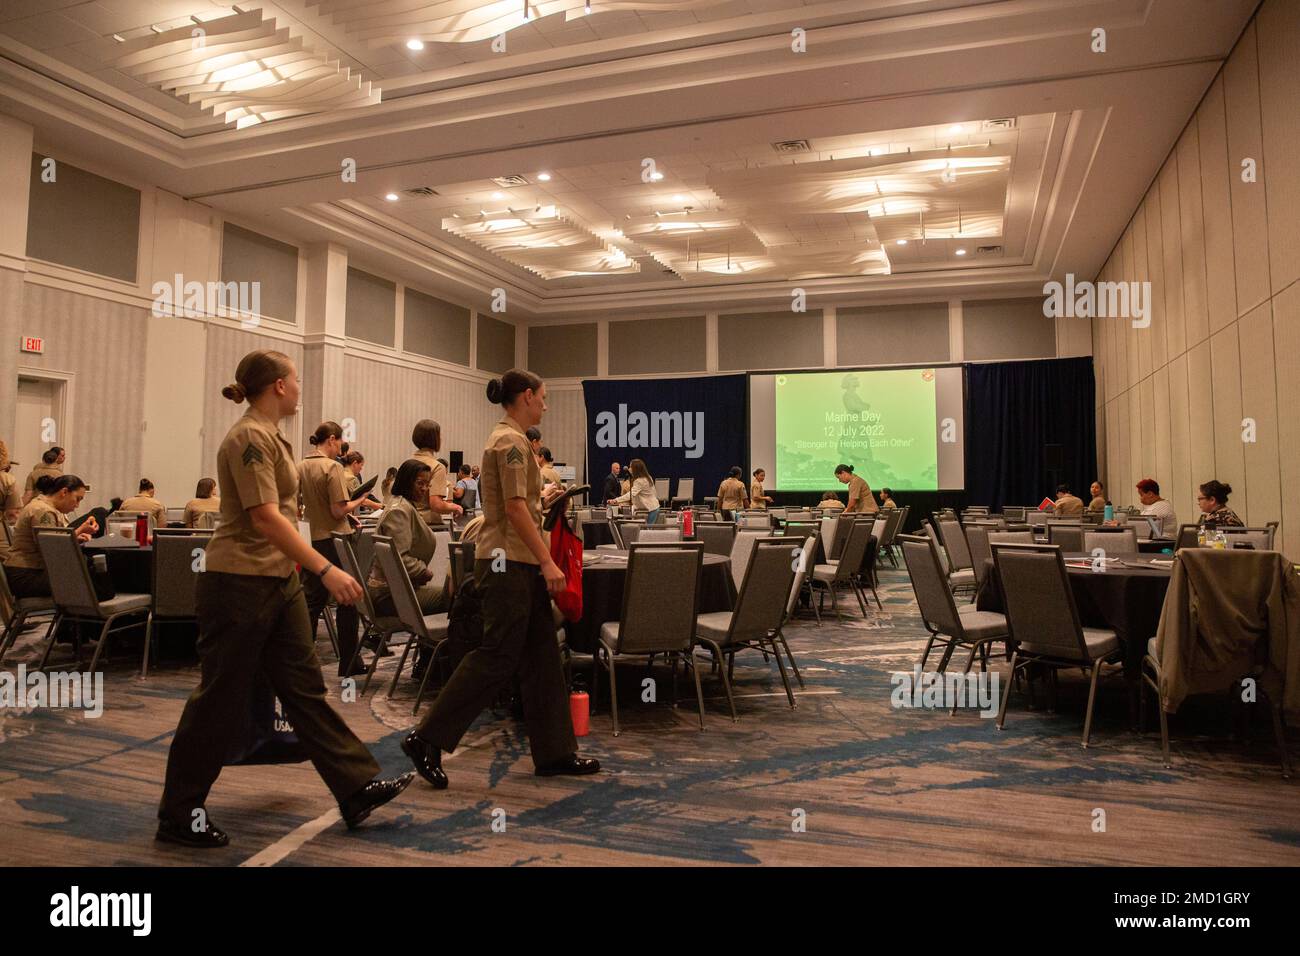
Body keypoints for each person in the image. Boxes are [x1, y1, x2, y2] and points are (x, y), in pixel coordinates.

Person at [157, 350, 412, 849]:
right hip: (238, 582)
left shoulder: (272, 436)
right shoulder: (249, 436)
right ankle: (179, 812)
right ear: (277, 385)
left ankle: (355, 786)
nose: (299, 385)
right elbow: (265, 518)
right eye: (294, 377)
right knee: (220, 699)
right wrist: (325, 567)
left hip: (277, 579)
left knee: (304, 689)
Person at [400, 368, 599, 789]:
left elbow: (519, 503)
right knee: (497, 655)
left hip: (515, 560)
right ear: (526, 396)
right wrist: (548, 561)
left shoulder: (514, 440)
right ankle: (426, 738)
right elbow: (512, 509)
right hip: (505, 562)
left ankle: (555, 752)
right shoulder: (509, 440)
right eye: (543, 397)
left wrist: (540, 506)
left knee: (542, 658)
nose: (545, 404)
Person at [300, 421, 371, 678]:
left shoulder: (302, 465)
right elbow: (337, 509)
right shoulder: (332, 467)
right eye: (340, 442)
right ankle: (349, 661)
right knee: (347, 598)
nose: (342, 447)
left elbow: (306, 506)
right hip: (336, 540)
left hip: (313, 538)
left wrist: (344, 515)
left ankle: (303, 660)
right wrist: (360, 502)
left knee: (312, 601)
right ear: (332, 439)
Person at [368, 459, 448, 616]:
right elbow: (400, 558)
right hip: (390, 596)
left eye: (427, 484)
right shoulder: (400, 511)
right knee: (457, 598)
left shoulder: (401, 504)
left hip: (392, 590)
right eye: (420, 483)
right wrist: (423, 571)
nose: (425, 489)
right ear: (406, 481)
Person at [1, 474, 97, 599]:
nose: (77, 505)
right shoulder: (43, 511)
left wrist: (75, 538)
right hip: (27, 576)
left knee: (88, 576)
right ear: (64, 492)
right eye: (77, 499)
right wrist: (79, 530)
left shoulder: (40, 505)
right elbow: (51, 551)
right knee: (91, 582)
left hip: (26, 572)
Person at [410, 420, 462, 527]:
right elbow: (436, 505)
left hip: (408, 522)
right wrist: (455, 507)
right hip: (428, 526)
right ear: (435, 439)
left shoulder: (407, 463)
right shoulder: (437, 467)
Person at [610, 458, 659, 524]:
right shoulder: (648, 477)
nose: (629, 469)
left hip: (651, 510)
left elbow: (630, 495)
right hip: (653, 507)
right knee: (646, 531)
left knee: (647, 532)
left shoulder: (640, 481)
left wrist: (616, 500)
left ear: (636, 469)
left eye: (630, 467)